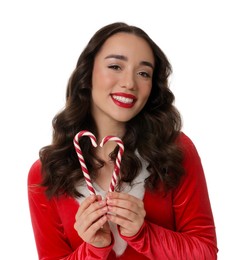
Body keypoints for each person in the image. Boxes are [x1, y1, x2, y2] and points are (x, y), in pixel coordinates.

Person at [28, 22, 218, 259]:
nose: (129, 83)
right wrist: (94, 249)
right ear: (87, 75)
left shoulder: (175, 150)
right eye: (115, 66)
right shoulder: (45, 174)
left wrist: (143, 234)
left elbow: (205, 253)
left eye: (143, 73)